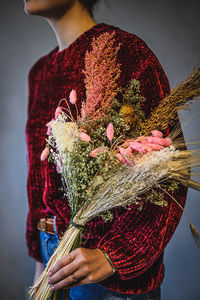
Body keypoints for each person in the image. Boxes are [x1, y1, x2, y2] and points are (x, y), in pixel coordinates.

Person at [24, 0, 187, 299]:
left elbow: (170, 169)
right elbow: (39, 180)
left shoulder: (125, 52)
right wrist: (40, 260)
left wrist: (115, 254)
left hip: (105, 275)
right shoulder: (40, 73)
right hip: (51, 261)